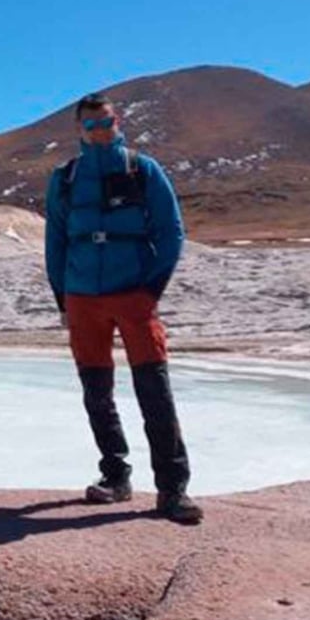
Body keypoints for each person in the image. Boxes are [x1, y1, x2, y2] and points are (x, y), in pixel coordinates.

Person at [44, 93, 203, 524]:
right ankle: (115, 476)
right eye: (91, 125)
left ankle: (173, 490)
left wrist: (151, 289)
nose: (100, 131)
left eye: (106, 123)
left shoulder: (141, 169)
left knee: (154, 389)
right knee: (96, 392)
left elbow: (171, 231)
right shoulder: (65, 178)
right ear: (79, 130)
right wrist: (63, 298)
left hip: (133, 294)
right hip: (82, 299)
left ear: (118, 122)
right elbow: (55, 241)